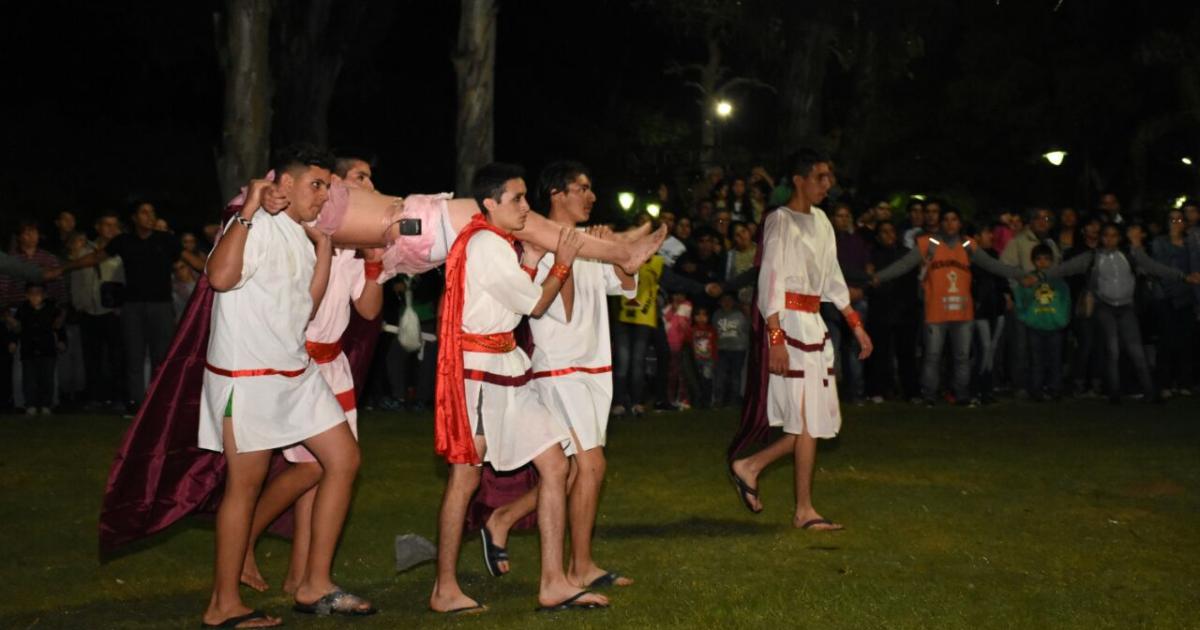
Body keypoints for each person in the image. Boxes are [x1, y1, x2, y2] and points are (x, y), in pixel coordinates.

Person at [198, 145, 374, 628]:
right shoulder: (250, 223)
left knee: (343, 459)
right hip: (248, 376)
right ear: (285, 183)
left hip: (293, 372)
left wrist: (321, 247)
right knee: (245, 486)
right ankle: (222, 605)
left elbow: (308, 306)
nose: (325, 196)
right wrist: (247, 214)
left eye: (328, 188)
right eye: (317, 185)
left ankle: (313, 583)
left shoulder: (300, 234)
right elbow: (219, 277)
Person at [429, 162, 608, 614]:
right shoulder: (486, 243)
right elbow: (534, 304)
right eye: (517, 199)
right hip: (481, 377)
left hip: (507, 367)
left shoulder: (493, 242)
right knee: (465, 477)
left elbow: (509, 302)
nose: (526, 206)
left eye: (527, 197)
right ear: (490, 204)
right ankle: (444, 588)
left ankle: (553, 583)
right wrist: (561, 263)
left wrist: (530, 259)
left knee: (555, 463)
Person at [478, 160, 637, 592]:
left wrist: (620, 254)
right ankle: (579, 566)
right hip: (559, 367)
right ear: (558, 194)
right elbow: (553, 308)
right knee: (591, 466)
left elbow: (624, 285)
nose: (591, 196)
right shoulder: (539, 236)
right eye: (582, 188)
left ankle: (503, 518)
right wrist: (571, 254)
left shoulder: (588, 240)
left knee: (567, 470)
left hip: (595, 367)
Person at [237, 155, 386, 597]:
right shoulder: (300, 231)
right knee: (312, 470)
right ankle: (242, 541)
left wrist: (375, 263)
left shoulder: (354, 244)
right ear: (335, 183)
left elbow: (370, 310)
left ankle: (300, 575)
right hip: (300, 363)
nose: (369, 184)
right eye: (361, 176)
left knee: (318, 471)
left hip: (333, 366)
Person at [728, 149, 873, 531]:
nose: (827, 185)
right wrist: (775, 337)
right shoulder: (780, 221)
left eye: (829, 178)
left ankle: (753, 467)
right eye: (821, 177)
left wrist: (855, 324)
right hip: (790, 326)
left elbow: (833, 279)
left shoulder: (823, 221)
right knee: (807, 420)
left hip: (813, 324)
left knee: (813, 421)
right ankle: (802, 509)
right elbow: (769, 281)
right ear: (799, 179)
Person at [62, 202, 205, 414]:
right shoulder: (124, 241)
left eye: (152, 212)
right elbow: (95, 257)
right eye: (144, 212)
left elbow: (195, 262)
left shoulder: (166, 240)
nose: (149, 216)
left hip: (161, 306)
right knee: (134, 358)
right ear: (134, 218)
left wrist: (224, 268)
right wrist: (63, 268)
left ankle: (161, 405)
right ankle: (137, 405)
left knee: (162, 357)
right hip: (133, 307)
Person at [873, 207, 1025, 406]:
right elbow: (904, 264)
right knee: (932, 357)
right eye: (946, 219)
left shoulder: (968, 245)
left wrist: (1021, 275)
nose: (950, 223)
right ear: (940, 223)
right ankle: (929, 395)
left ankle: (961, 395)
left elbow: (992, 265)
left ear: (960, 223)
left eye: (954, 219)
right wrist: (880, 277)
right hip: (936, 311)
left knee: (962, 357)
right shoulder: (929, 244)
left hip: (962, 312)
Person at [1038, 223, 1200, 404]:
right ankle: (1114, 394)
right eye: (1106, 235)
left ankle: (1149, 392)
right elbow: (1065, 268)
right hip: (1104, 306)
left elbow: (1154, 267)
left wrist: (1182, 276)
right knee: (1112, 348)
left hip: (1126, 307)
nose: (1109, 239)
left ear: (1119, 237)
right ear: (1101, 237)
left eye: (1114, 235)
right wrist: (1040, 276)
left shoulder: (1129, 255)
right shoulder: (1092, 257)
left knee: (1136, 350)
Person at [1013, 244, 1071, 401]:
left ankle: (1055, 388)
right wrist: (1026, 317)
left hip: (1054, 325)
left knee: (1055, 359)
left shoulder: (1058, 280)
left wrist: (1062, 320)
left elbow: (1065, 301)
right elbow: (1020, 299)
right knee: (1036, 359)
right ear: (1033, 261)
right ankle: (1036, 389)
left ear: (1052, 261)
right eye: (1039, 259)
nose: (1043, 263)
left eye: (1046, 259)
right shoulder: (1028, 280)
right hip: (1035, 325)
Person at [1150, 209, 1195, 396]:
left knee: (1186, 342)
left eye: (1179, 219)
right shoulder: (1160, 243)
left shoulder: (1191, 243)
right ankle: (1164, 383)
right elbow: (1161, 269)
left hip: (1187, 298)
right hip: (1166, 297)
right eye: (1172, 219)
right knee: (1167, 341)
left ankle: (1184, 382)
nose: (1176, 222)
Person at [10, 283, 64, 415]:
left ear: (44, 295)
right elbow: (17, 328)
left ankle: (47, 403)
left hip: (47, 348)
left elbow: (58, 326)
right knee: (29, 378)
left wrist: (62, 341)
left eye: (38, 293)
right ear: (27, 295)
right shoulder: (23, 309)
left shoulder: (51, 309)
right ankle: (30, 404)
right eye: (32, 294)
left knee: (48, 378)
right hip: (28, 349)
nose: (35, 297)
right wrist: (13, 342)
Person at [713, 293, 750, 407]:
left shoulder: (740, 314)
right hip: (721, 348)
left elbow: (748, 329)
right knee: (720, 375)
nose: (727, 303)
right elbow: (713, 330)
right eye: (724, 300)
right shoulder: (717, 314)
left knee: (736, 375)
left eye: (729, 300)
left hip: (738, 349)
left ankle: (734, 400)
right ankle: (719, 400)